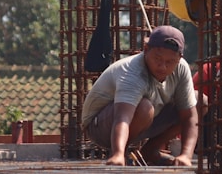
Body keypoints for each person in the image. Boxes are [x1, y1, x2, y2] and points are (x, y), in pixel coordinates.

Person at [82, 25, 198, 166]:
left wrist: (186, 156)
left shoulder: (181, 69)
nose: (162, 66)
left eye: (169, 62)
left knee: (198, 102)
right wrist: (118, 154)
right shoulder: (132, 72)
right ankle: (120, 153)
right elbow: (122, 117)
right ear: (146, 49)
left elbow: (189, 117)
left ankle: (150, 151)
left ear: (179, 58)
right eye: (157, 58)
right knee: (144, 108)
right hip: (100, 126)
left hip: (141, 119)